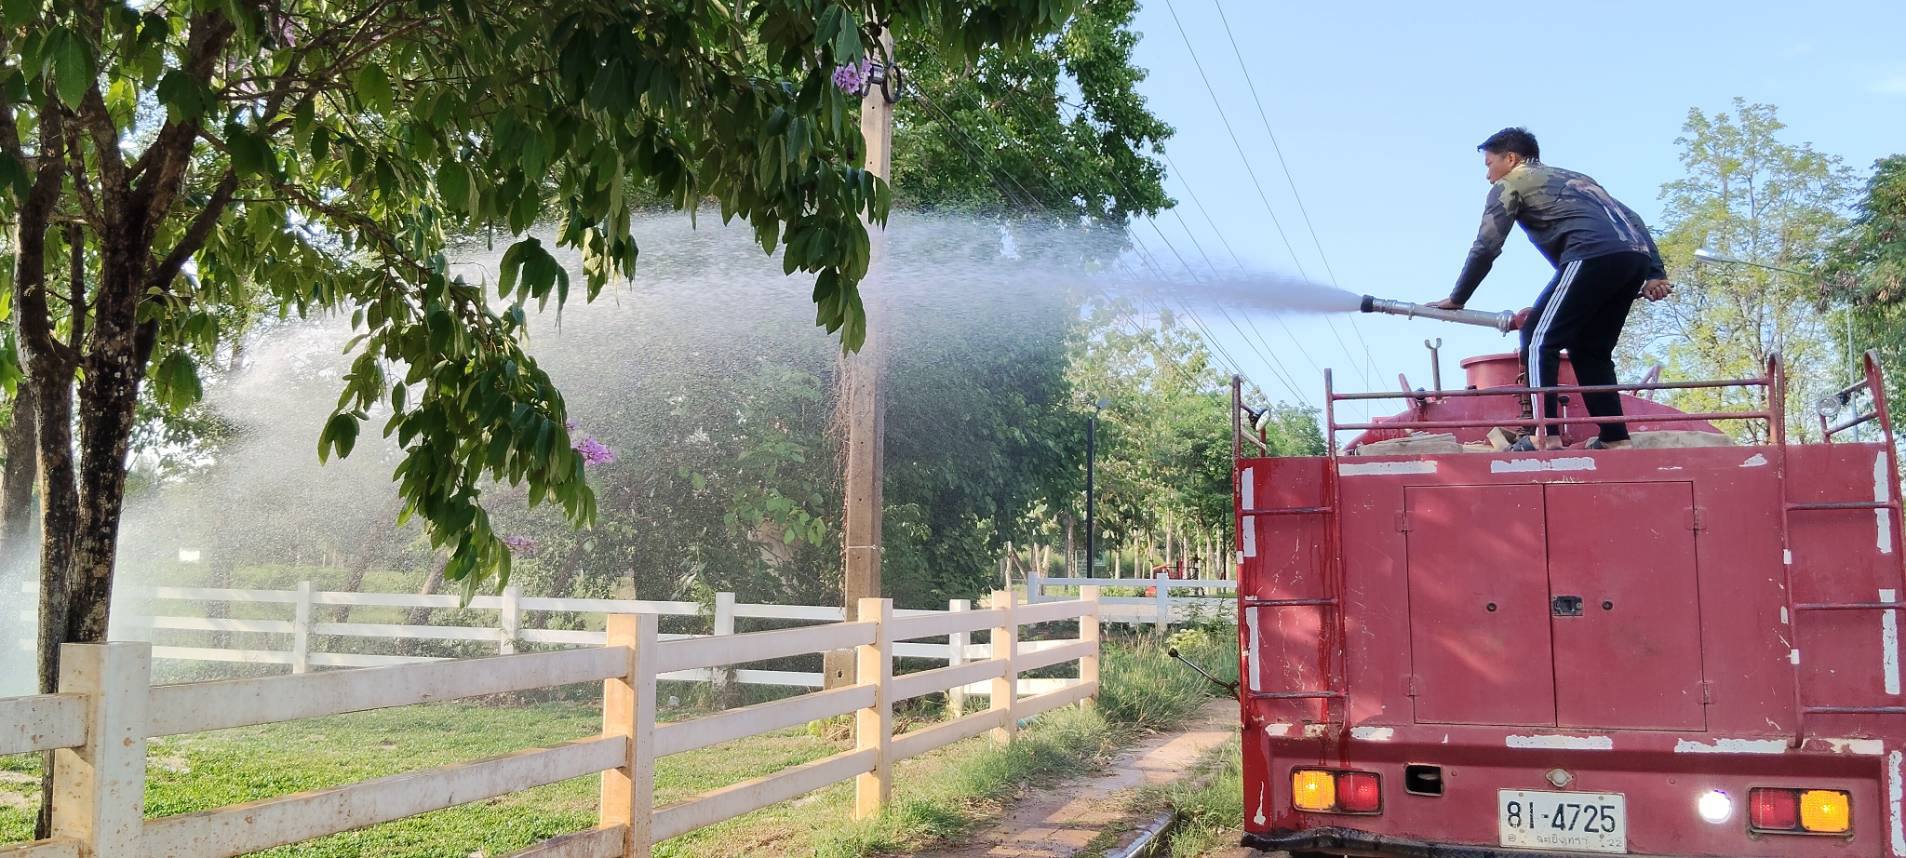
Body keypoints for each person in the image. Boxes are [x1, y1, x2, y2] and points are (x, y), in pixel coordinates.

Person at [1427, 127, 1672, 450]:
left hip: (1590, 255)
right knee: (1591, 350)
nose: (1487, 175)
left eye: (1489, 164)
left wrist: (1458, 298)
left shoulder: (1510, 183)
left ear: (1510, 158)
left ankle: (1544, 434)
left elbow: (1486, 246)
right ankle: (1615, 439)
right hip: (1634, 258)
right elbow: (1633, 217)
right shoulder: (1578, 178)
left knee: (1537, 337)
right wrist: (1655, 273)